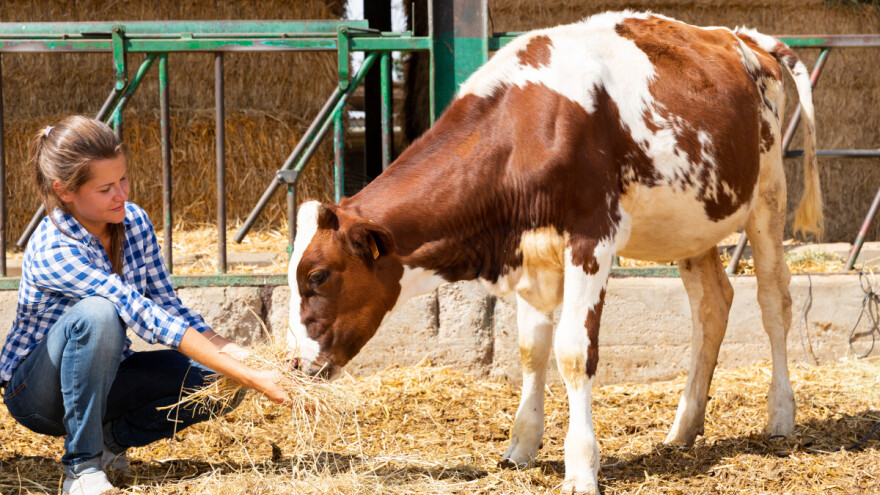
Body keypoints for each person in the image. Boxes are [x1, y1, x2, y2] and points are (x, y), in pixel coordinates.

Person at [0, 116, 289, 495]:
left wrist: (241, 360)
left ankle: (109, 441)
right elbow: (140, 312)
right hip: (38, 395)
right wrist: (256, 379)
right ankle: (82, 469)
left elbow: (168, 307)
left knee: (222, 380)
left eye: (123, 180)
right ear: (65, 191)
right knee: (99, 313)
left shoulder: (132, 221)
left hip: (108, 377)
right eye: (105, 188)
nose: (121, 194)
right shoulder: (54, 245)